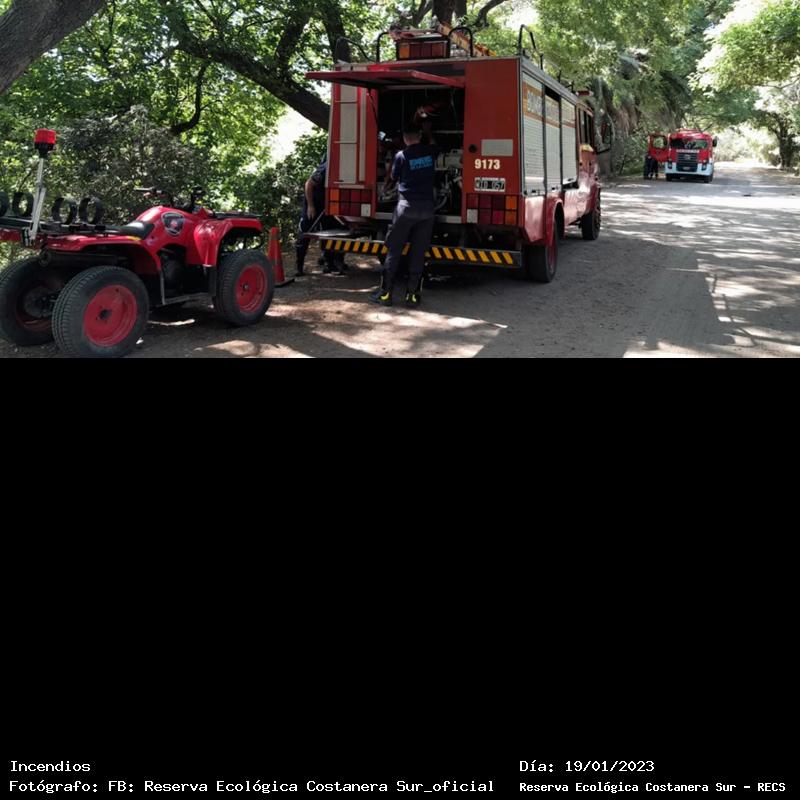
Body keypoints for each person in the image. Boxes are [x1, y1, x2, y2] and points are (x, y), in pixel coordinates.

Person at [370, 125, 438, 308]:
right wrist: (429, 132)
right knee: (418, 254)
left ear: (406, 139)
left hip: (406, 208)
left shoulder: (401, 156)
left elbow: (393, 176)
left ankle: (386, 295)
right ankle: (412, 296)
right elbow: (434, 144)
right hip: (427, 210)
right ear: (419, 136)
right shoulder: (430, 152)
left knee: (393, 251)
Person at [295, 159, 347, 277]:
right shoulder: (326, 168)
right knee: (304, 233)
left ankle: (330, 265)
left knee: (329, 235)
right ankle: (299, 267)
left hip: (326, 207)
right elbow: (309, 184)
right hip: (313, 205)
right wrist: (311, 206)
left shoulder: (344, 169)